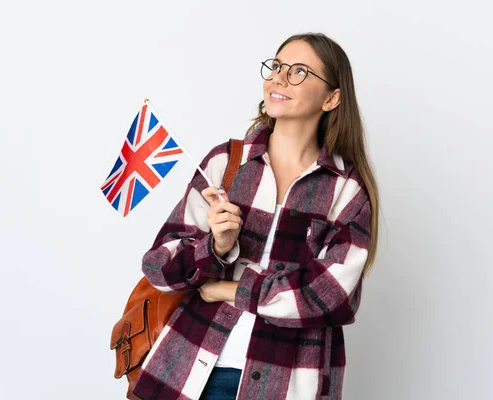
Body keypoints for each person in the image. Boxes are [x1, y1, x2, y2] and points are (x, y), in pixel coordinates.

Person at [132, 32, 379, 400]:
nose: (279, 78)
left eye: (299, 72)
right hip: (190, 375)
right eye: (277, 66)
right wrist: (215, 247)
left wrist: (230, 289)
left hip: (289, 385)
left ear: (332, 98)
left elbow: (331, 295)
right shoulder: (226, 164)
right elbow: (157, 267)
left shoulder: (346, 191)